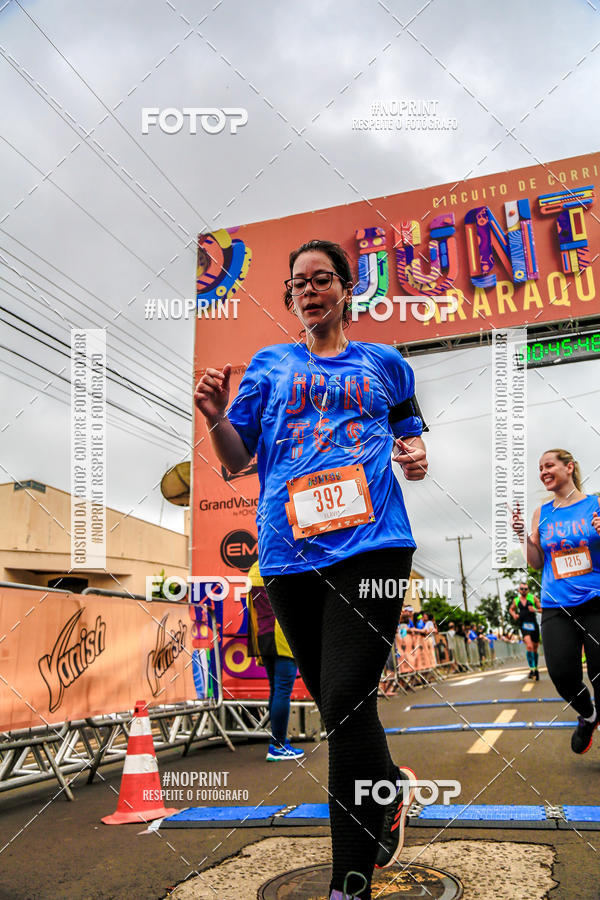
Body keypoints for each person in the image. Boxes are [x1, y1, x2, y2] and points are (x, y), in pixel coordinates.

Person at [195, 239, 429, 900]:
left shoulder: (386, 364)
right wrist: (214, 417)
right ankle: (389, 790)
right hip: (287, 557)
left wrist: (415, 457)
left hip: (375, 547)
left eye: (321, 279)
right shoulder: (269, 364)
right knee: (340, 710)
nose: (308, 291)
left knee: (348, 700)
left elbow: (411, 436)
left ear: (346, 290)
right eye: (298, 283)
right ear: (291, 298)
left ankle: (348, 884)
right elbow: (235, 458)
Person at [512, 448, 600, 754]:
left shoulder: (595, 504)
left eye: (549, 465)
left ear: (569, 467)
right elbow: (536, 562)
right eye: (540, 468)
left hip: (595, 600)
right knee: (562, 674)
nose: (543, 472)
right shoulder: (542, 512)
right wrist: (522, 536)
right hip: (556, 604)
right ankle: (588, 715)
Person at [246, 560, 305, 761]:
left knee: (276, 690)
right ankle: (278, 745)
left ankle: (278, 741)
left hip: (263, 634)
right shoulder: (285, 564)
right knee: (282, 691)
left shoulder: (254, 568)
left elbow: (252, 606)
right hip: (281, 634)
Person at [508, 580, 542, 680]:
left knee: (535, 648)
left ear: (528, 590)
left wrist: (535, 610)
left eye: (525, 589)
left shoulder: (533, 598)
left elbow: (542, 609)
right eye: (522, 589)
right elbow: (511, 609)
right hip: (524, 625)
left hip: (534, 624)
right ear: (519, 590)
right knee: (529, 646)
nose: (523, 590)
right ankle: (532, 669)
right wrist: (514, 615)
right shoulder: (516, 600)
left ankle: (535, 668)